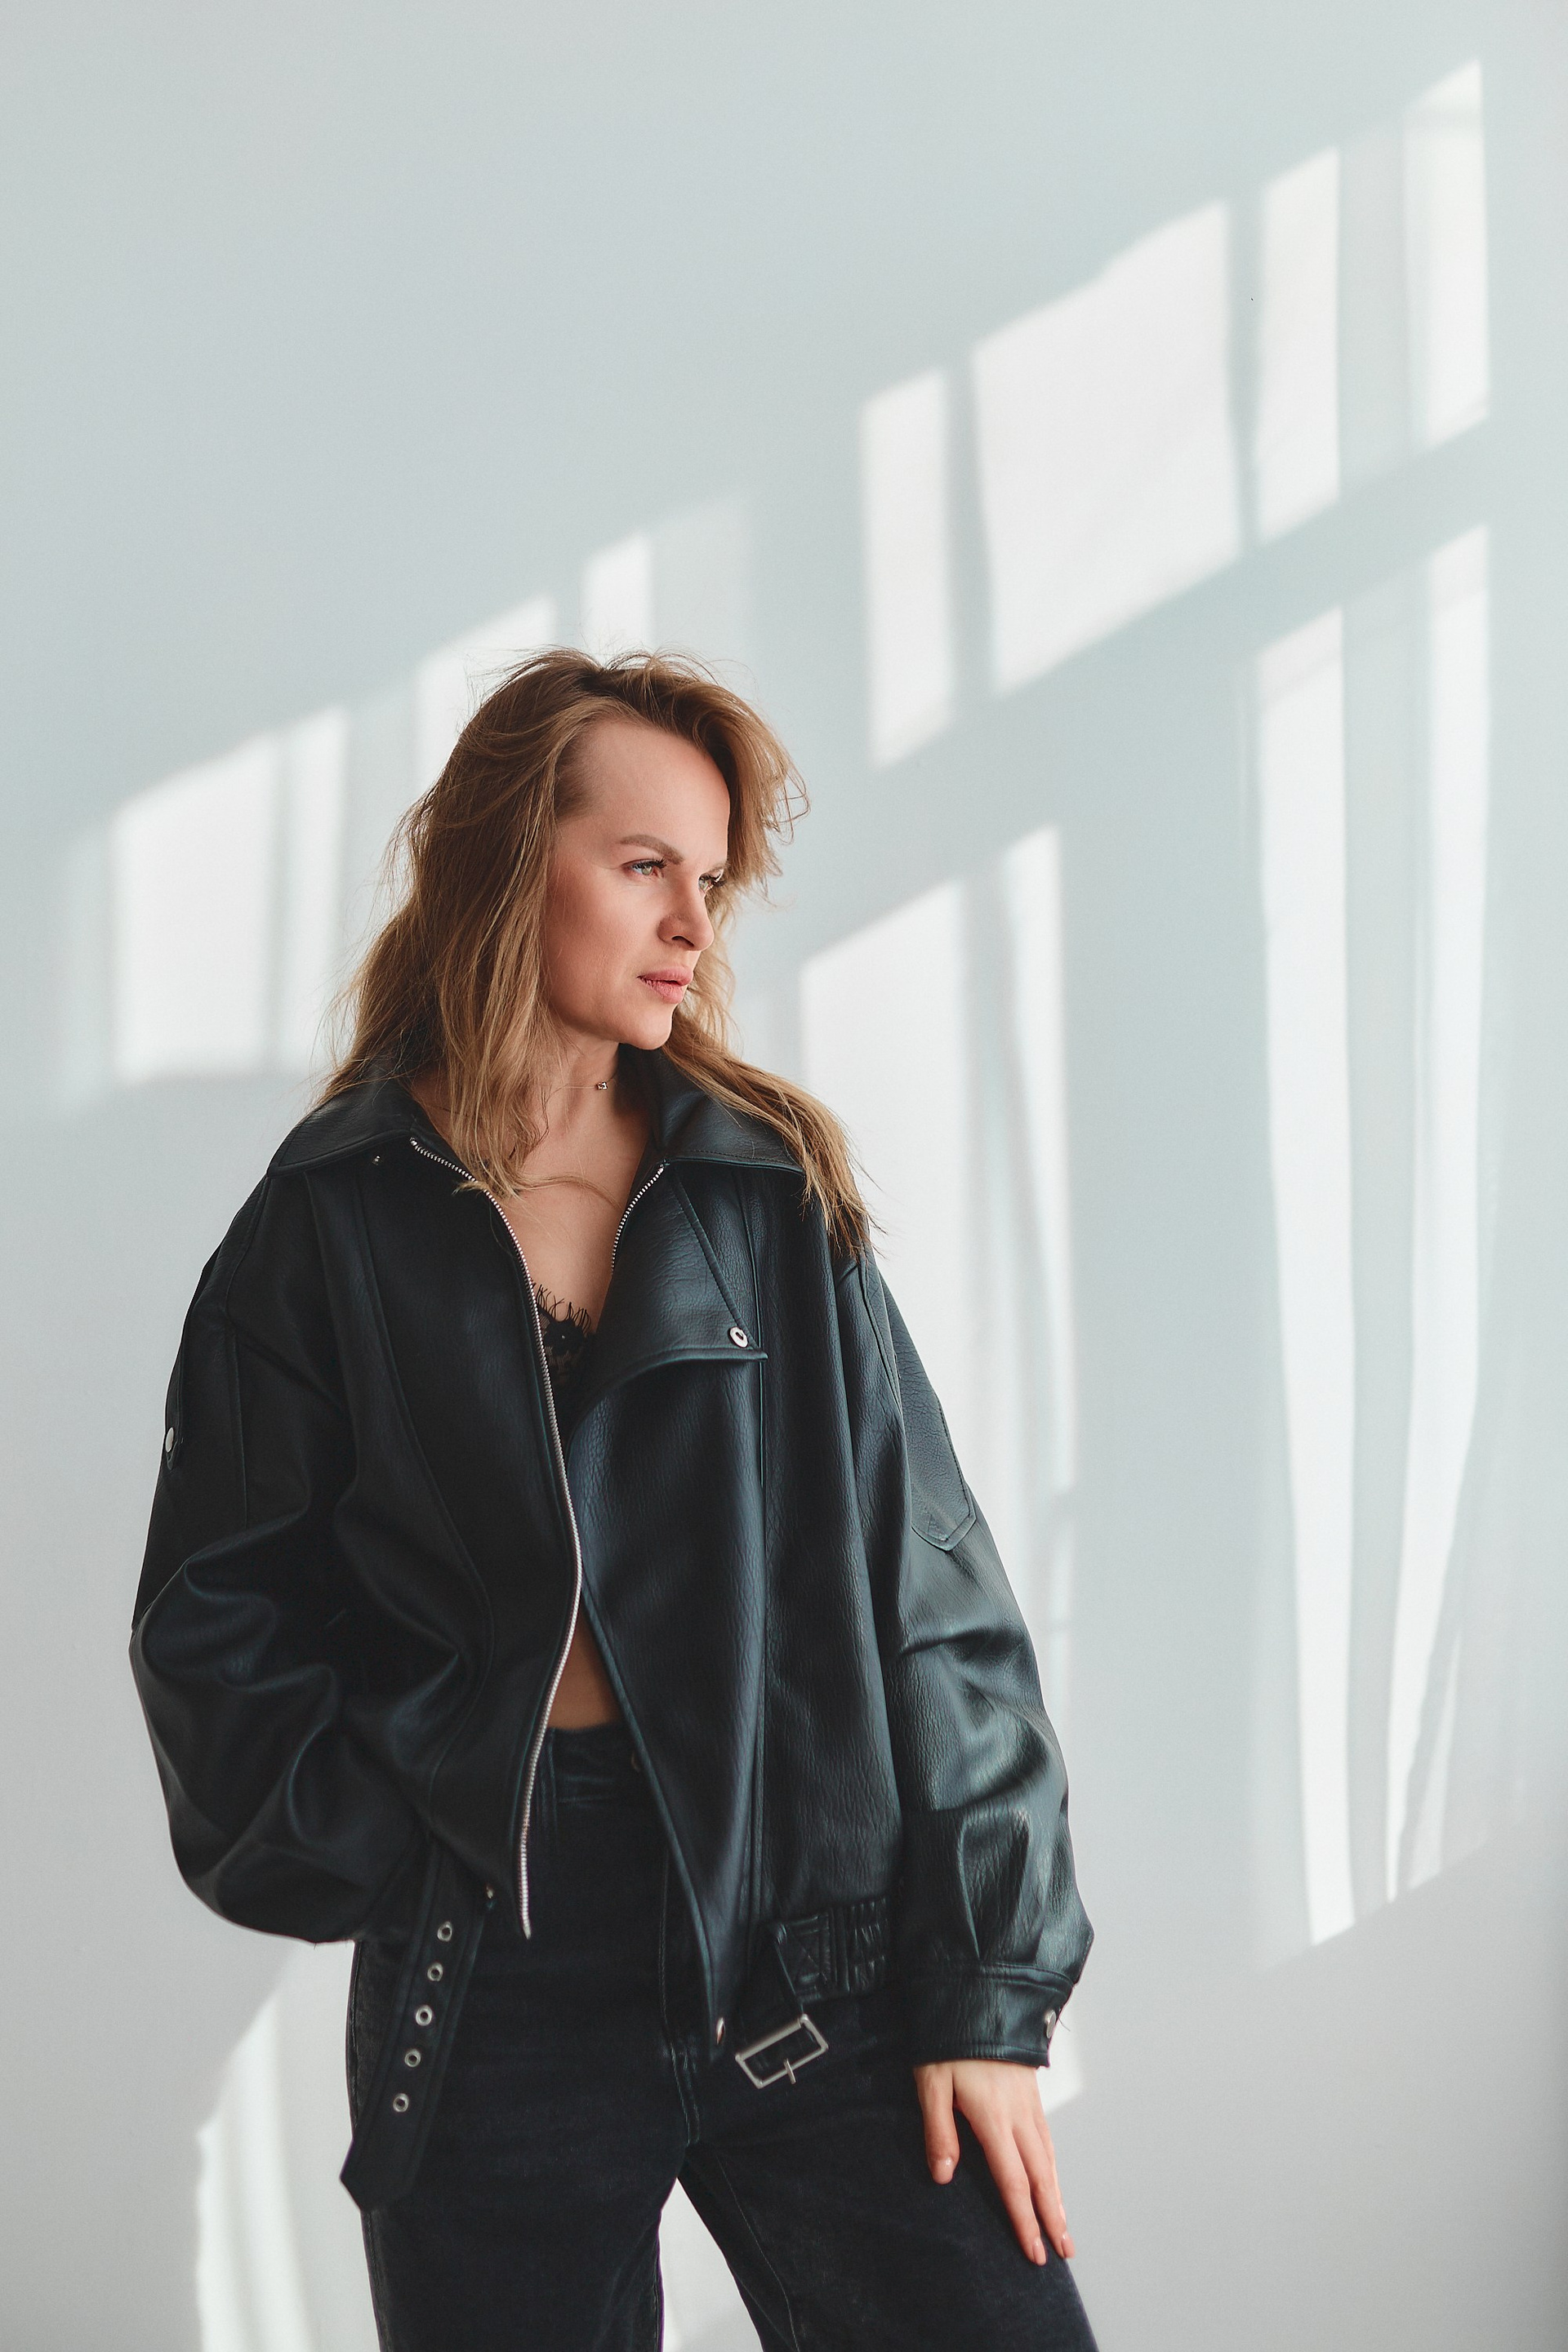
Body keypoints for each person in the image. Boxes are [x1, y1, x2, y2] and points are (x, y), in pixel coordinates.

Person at [131, 648, 1097, 2351]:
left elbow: (934, 1594)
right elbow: (214, 1620)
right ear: (514, 862)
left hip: (817, 1941)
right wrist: (407, 1839)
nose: (692, 926)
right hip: (496, 1975)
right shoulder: (327, 1228)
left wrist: (989, 1991)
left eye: (710, 881)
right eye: (646, 864)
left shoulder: (761, 1192)